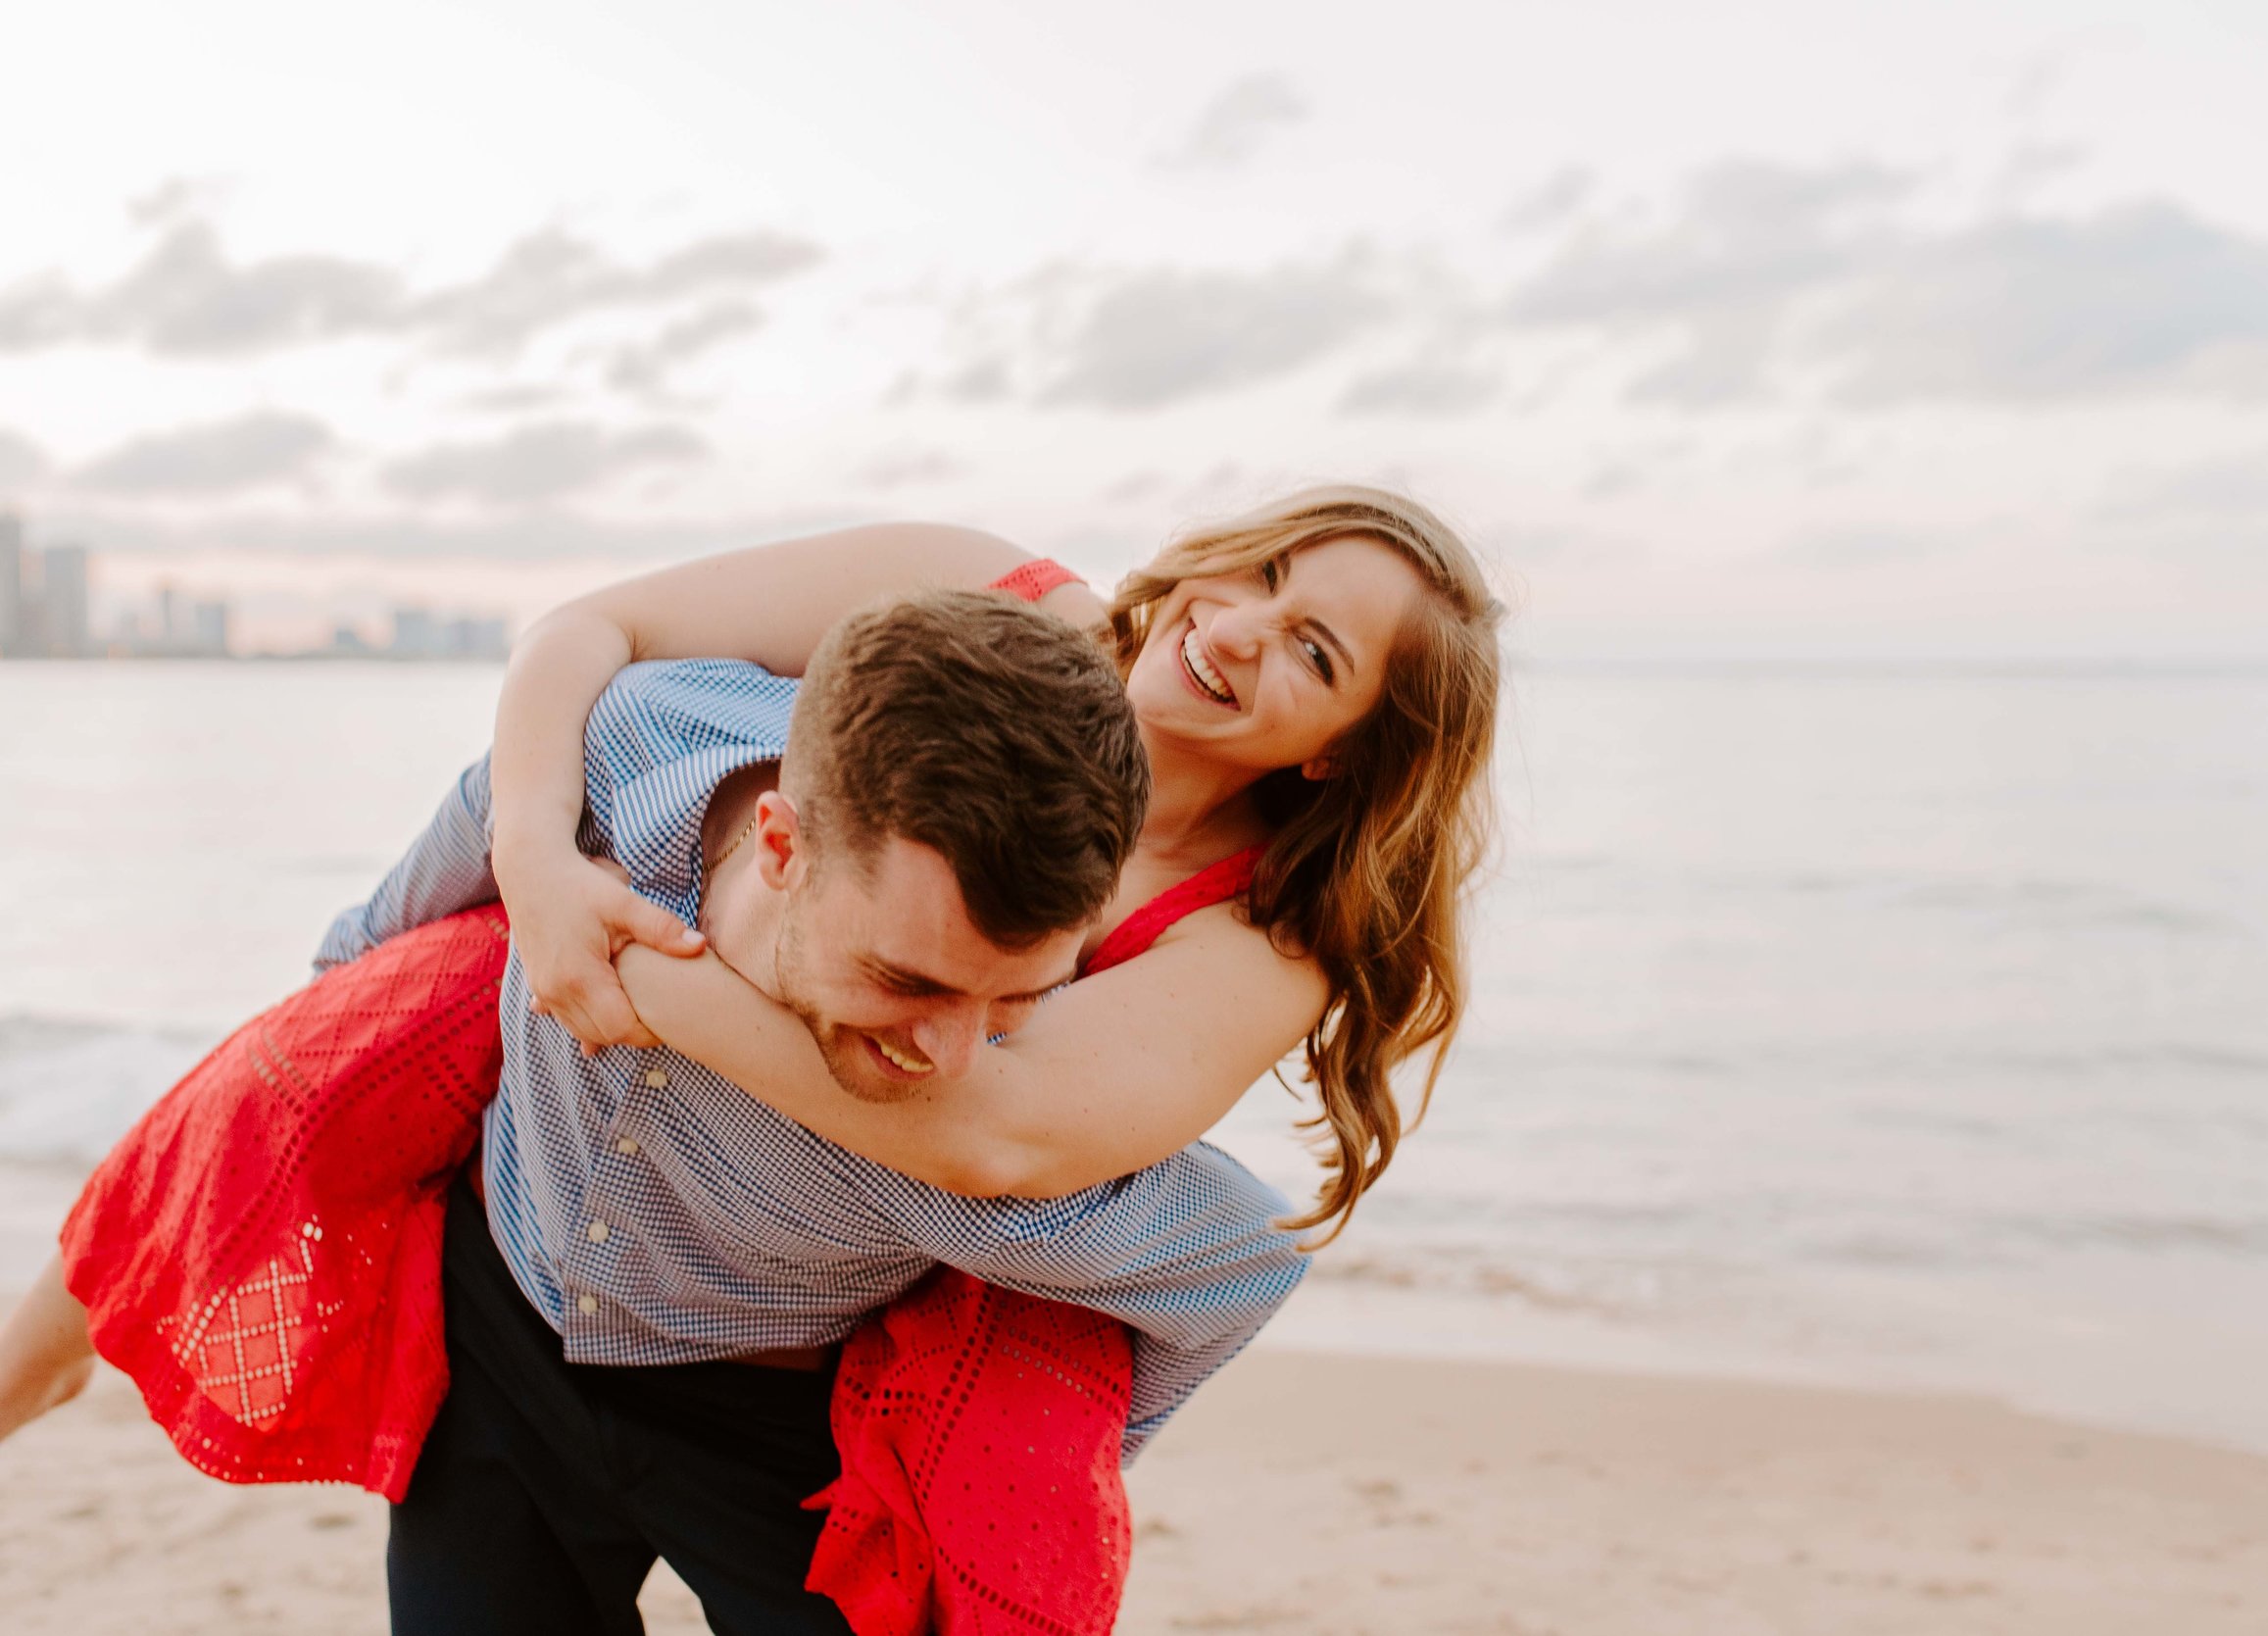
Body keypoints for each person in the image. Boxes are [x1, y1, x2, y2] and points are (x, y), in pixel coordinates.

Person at [0, 486, 1504, 1629]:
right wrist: (535, 866)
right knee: (307, 1068)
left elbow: (1003, 1139)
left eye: (1313, 648)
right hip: (525, 1293)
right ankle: (41, 1356)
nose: (1236, 624)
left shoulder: (1258, 934)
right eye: (1265, 570)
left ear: (1346, 747)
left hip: (780, 1409)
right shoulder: (981, 595)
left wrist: (617, 969)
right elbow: (596, 640)